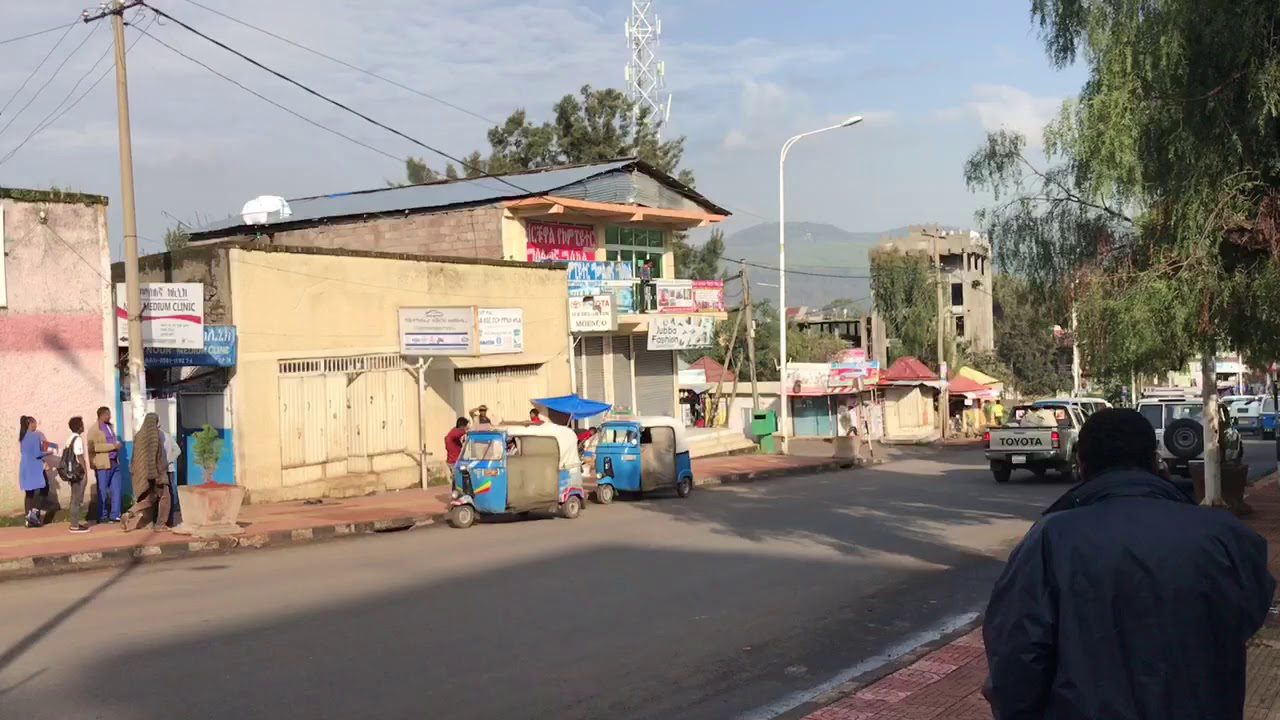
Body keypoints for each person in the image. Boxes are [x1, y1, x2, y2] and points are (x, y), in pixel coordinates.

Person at [983, 408, 1275, 720]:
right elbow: (1248, 613)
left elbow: (1016, 657)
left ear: (1082, 464)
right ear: (1154, 461)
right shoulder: (1226, 535)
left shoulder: (1050, 539)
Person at [120, 413, 171, 532]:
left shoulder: (139, 435)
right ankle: (160, 524)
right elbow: (152, 456)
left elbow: (135, 457)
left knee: (149, 499)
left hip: (141, 473)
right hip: (154, 472)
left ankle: (129, 513)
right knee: (165, 497)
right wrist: (155, 476)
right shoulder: (154, 435)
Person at [86, 406, 123, 523]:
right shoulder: (94, 429)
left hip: (114, 462)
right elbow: (92, 447)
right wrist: (112, 446)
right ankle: (102, 515)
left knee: (116, 489)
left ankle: (115, 514)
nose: (109, 416)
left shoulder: (110, 427)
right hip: (103, 463)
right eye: (107, 414)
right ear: (101, 415)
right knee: (102, 490)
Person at [18, 416, 52, 528]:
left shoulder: (22, 436)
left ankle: (28, 518)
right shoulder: (35, 436)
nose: (36, 425)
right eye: (35, 423)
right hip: (35, 467)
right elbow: (37, 453)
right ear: (30, 423)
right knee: (44, 488)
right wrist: (49, 452)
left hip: (26, 466)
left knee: (29, 492)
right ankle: (34, 513)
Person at [60, 417, 91, 533]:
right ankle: (74, 525)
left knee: (74, 497)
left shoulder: (70, 438)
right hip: (78, 472)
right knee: (77, 499)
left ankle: (74, 523)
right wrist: (85, 471)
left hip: (71, 472)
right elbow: (79, 456)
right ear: (79, 427)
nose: (83, 426)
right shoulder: (77, 439)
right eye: (82, 424)